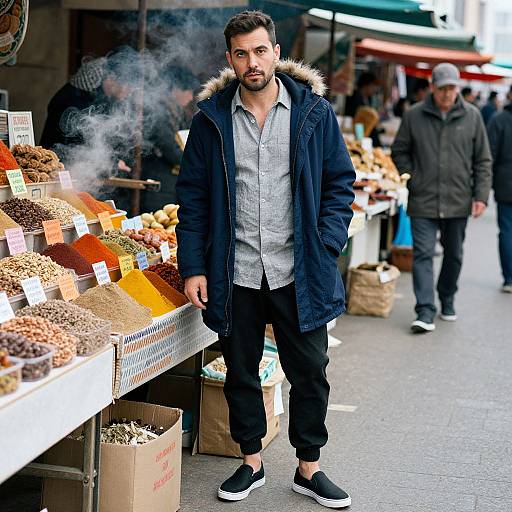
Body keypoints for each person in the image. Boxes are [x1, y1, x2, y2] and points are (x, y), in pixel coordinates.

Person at [176, 10, 355, 509]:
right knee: (240, 369)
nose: (252, 62)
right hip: (234, 272)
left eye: (260, 51)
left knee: (311, 372)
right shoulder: (210, 121)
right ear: (229, 59)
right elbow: (192, 200)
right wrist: (193, 266)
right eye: (241, 53)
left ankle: (308, 468)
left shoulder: (314, 114)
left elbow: (340, 182)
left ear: (276, 52)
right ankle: (250, 461)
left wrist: (326, 242)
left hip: (299, 270)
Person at [391, 62, 492, 333]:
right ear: (433, 88)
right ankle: (425, 310)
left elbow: (483, 160)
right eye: (442, 88)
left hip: (458, 200)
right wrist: (411, 176)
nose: (448, 94)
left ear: (457, 89)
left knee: (454, 254)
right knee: (422, 254)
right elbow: (399, 150)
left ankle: (447, 297)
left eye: (452, 88)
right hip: (423, 199)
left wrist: (480, 195)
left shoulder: (472, 116)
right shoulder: (414, 115)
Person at [40, 46, 139, 159]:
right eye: (129, 84)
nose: (130, 90)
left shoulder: (102, 94)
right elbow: (78, 145)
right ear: (111, 79)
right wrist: (113, 163)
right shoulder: (75, 99)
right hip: (56, 166)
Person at [141, 66, 199, 212]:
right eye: (188, 91)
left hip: (172, 179)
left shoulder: (179, 112)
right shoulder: (160, 112)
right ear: (175, 90)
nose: (191, 97)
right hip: (159, 179)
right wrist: (194, 163)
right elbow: (169, 148)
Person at [486, 85, 512, 293]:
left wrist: (485, 185)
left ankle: (509, 278)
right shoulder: (498, 118)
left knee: (506, 230)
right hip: (505, 182)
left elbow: (489, 154)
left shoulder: (499, 119)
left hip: (505, 183)